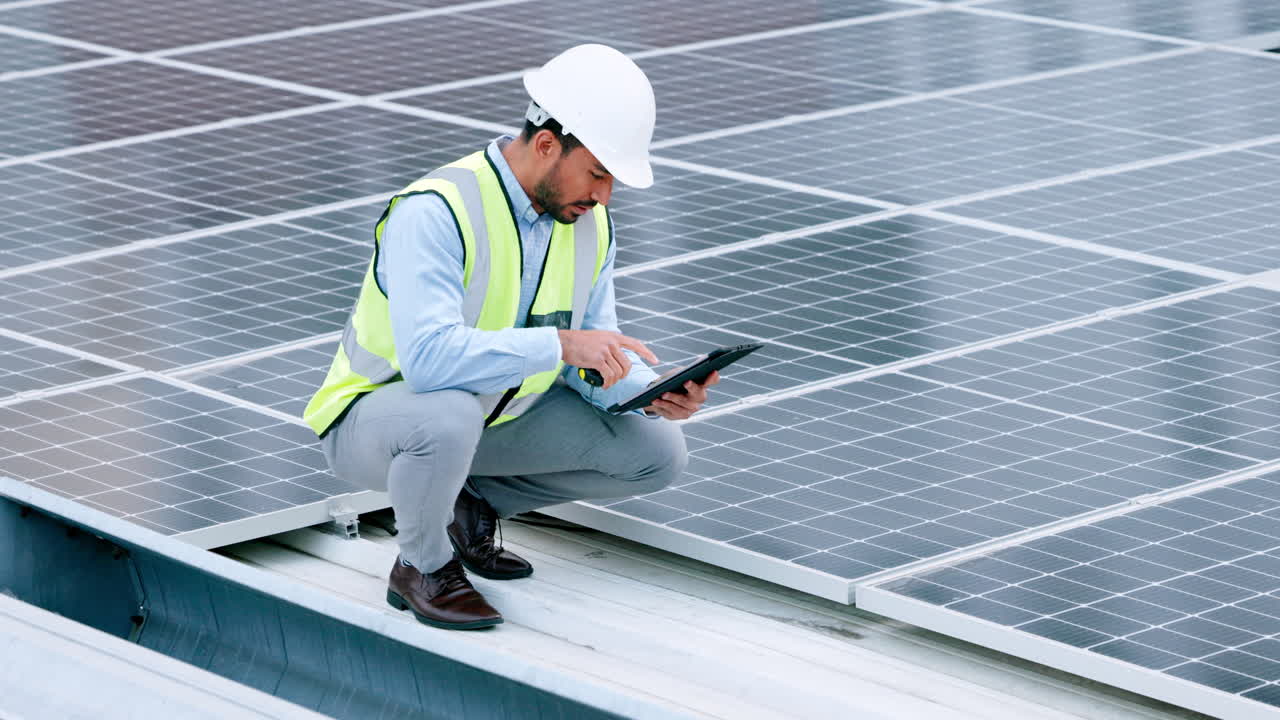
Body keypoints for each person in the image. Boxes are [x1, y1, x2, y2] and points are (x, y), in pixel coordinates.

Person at [303, 44, 719, 630]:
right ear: (548, 144)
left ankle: (465, 507)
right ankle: (421, 567)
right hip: (377, 421)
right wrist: (562, 346)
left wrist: (651, 391)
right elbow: (427, 362)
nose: (604, 195)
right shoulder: (437, 210)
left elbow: (589, 355)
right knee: (446, 417)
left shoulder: (589, 226)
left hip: (493, 417)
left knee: (655, 452)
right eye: (598, 172)